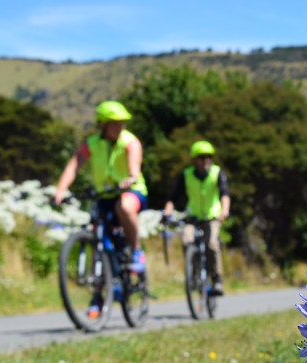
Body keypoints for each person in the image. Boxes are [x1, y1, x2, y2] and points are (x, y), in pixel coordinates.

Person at [54, 101, 148, 317]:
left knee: (123, 206)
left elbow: (134, 167)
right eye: (114, 123)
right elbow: (74, 165)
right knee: (100, 241)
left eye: (122, 122)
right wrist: (60, 190)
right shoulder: (92, 143)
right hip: (103, 196)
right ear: (103, 125)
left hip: (132, 192)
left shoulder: (130, 142)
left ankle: (136, 251)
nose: (120, 126)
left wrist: (131, 178)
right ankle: (98, 297)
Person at [163, 140, 230, 295]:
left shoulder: (217, 173)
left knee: (212, 244)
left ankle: (217, 279)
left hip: (212, 216)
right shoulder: (186, 175)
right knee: (187, 239)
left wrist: (224, 210)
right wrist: (167, 212)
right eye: (202, 157)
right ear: (195, 159)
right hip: (192, 216)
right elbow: (173, 197)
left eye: (209, 156)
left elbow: (224, 193)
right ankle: (193, 275)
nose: (206, 160)